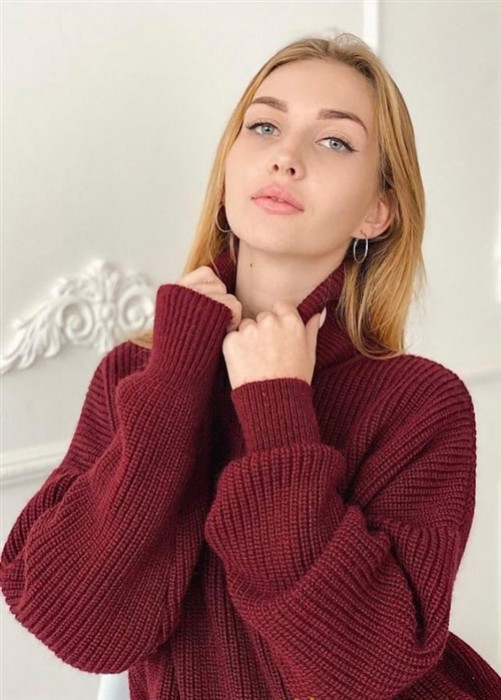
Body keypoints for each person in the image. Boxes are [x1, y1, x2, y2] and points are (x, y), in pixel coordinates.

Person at [1, 31, 500, 700]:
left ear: (377, 212)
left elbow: (367, 667)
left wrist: (277, 409)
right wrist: (176, 378)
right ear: (229, 171)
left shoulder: (420, 402)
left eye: (334, 141)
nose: (285, 157)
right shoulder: (137, 373)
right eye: (264, 126)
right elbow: (82, 627)